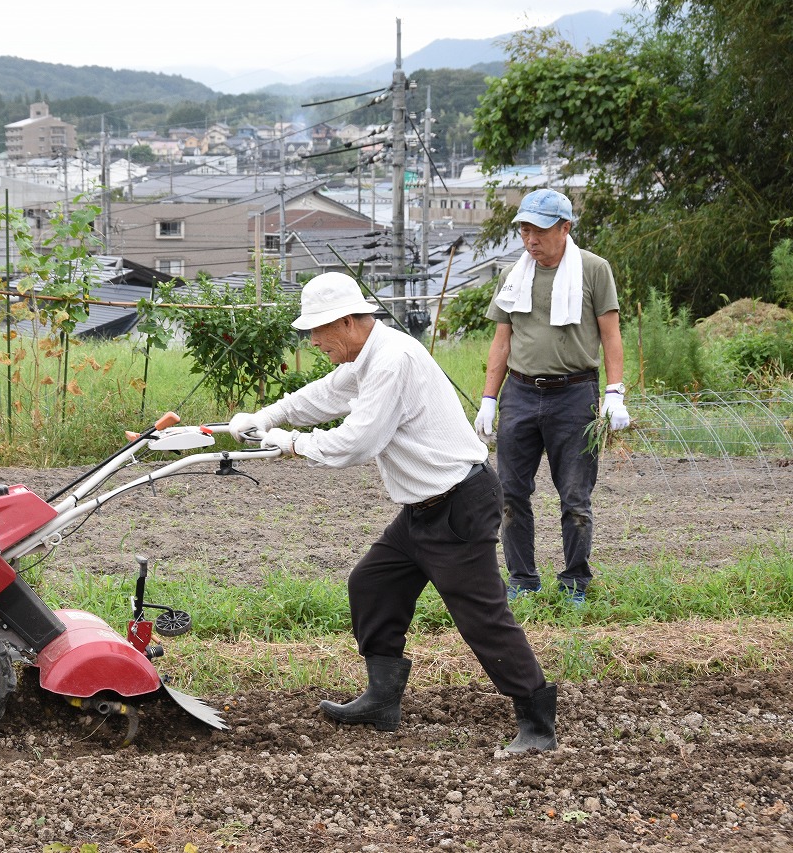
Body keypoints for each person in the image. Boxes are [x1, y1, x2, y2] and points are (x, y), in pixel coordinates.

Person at [228, 271, 556, 752]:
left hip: (458, 504)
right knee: (373, 584)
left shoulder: (393, 359)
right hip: (421, 510)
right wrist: (267, 417)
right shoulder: (368, 356)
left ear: (346, 322)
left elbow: (359, 441)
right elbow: (324, 394)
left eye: (319, 331)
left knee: (482, 618)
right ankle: (383, 699)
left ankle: (536, 721)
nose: (316, 341)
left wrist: (291, 443)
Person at [474, 188, 628, 605]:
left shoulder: (594, 270)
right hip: (520, 394)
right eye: (524, 230)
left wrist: (614, 392)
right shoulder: (514, 276)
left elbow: (611, 335)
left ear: (565, 228)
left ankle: (575, 581)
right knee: (510, 493)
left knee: (575, 496)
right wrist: (489, 398)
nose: (530, 239)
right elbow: (501, 340)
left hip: (575, 394)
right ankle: (523, 580)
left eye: (539, 230)